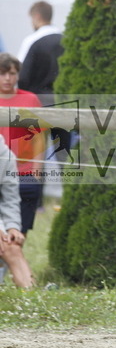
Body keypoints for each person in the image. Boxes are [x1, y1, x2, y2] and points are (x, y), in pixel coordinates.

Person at [0, 53, 45, 238]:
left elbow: (39, 138)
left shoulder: (30, 100)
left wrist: (37, 170)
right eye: (2, 73)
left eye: (12, 73)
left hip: (25, 174)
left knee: (19, 234)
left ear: (18, 74)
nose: (7, 78)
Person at [0, 134, 34, 288]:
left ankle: (32, 298)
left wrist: (12, 227)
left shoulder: (6, 155)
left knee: (12, 246)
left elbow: (10, 199)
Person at [17, 1, 63, 108]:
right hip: (63, 100)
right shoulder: (66, 40)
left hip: (37, 101)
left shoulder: (32, 40)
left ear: (36, 16)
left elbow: (21, 74)